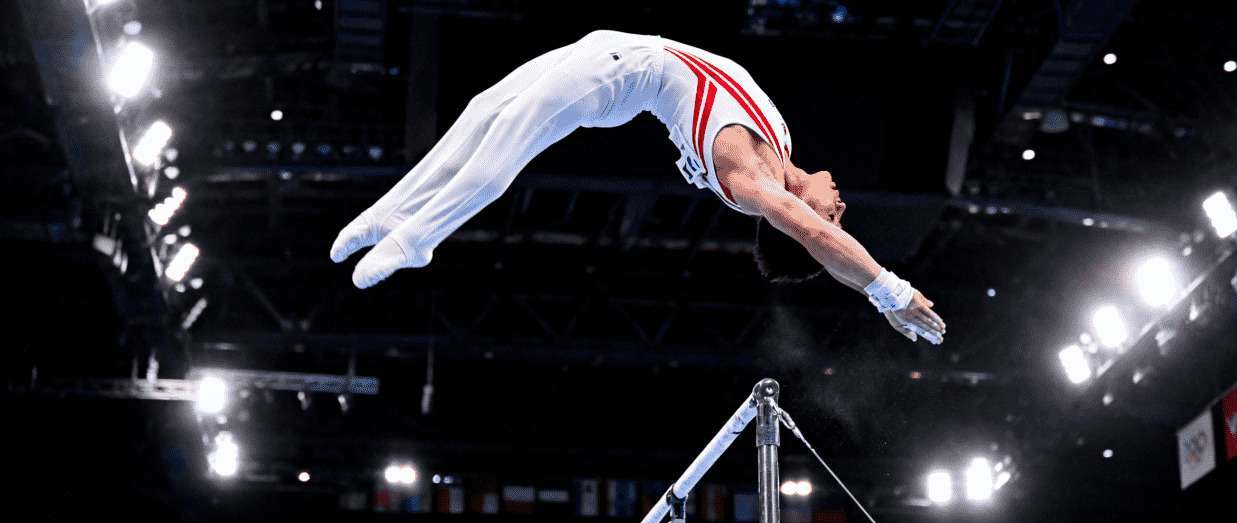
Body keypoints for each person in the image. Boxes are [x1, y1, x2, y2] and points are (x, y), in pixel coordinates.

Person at [330, 30, 946, 344]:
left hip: (616, 81)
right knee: (482, 110)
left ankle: (418, 240)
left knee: (504, 147)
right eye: (840, 213)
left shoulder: (753, 182)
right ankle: (392, 214)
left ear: (799, 222)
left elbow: (812, 233)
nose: (840, 205)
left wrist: (889, 293)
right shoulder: (779, 148)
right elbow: (815, 230)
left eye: (835, 218)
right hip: (608, 49)